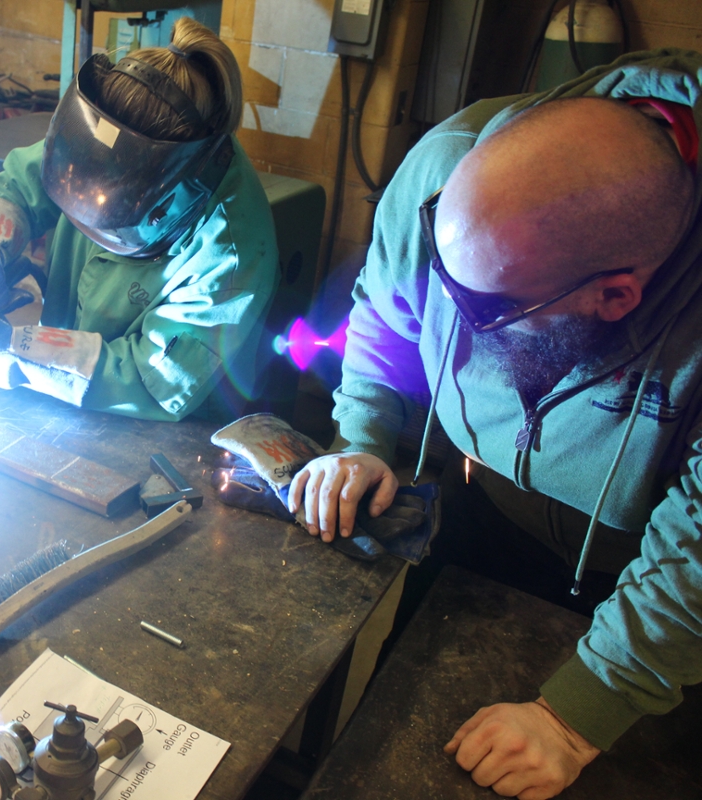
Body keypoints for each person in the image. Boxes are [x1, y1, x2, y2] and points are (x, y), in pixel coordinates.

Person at [287, 48, 701, 799]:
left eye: (486, 308)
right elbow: (388, 312)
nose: (450, 314)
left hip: (652, 581)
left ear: (614, 297)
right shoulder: (450, 167)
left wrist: (578, 717)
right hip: (483, 513)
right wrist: (366, 440)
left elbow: (698, 549)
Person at [0, 17, 279, 422]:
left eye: (110, 217)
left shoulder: (228, 253)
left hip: (167, 433)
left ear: (167, 196)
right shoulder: (98, 144)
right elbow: (19, 183)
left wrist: (18, 346)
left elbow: (152, 377)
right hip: (60, 396)